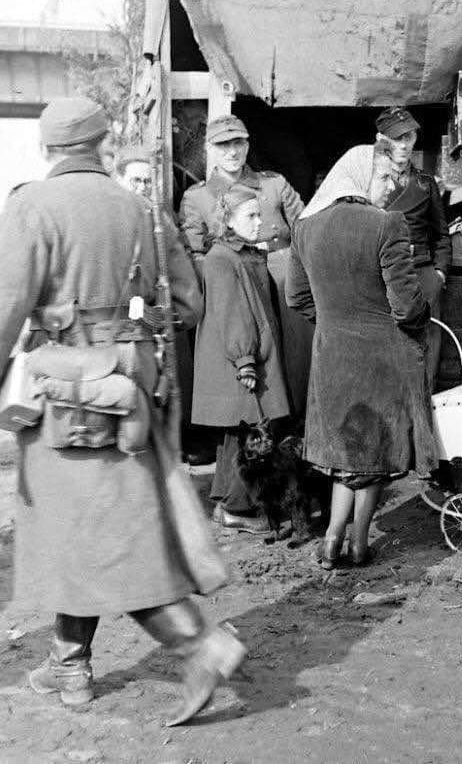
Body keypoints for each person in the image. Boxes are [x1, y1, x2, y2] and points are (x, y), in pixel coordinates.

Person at [0, 98, 244, 725]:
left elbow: (5, 311)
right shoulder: (143, 209)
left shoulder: (31, 206)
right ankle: (68, 660)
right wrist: (130, 327)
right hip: (133, 393)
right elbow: (187, 308)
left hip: (67, 400)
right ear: (101, 145)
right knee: (92, 527)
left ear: (49, 149)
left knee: (106, 537)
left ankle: (200, 644)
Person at [286, 144, 437, 569]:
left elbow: (296, 297)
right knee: (372, 452)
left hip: (331, 354)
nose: (392, 188)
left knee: (348, 455)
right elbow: (407, 305)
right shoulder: (387, 224)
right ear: (360, 173)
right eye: (387, 177)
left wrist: (335, 322)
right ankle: (358, 543)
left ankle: (333, 540)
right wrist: (417, 319)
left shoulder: (305, 227)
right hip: (380, 355)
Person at [180, 114, 312, 416]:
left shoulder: (274, 184)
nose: (232, 151)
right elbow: (194, 252)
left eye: (238, 142)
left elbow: (306, 227)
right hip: (232, 290)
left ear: (248, 144)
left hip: (279, 282)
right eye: (223, 144)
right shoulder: (197, 196)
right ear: (210, 148)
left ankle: (292, 422)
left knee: (290, 358)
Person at [192, 184, 291, 533]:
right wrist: (245, 360)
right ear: (227, 219)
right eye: (249, 215)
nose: (257, 221)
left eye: (258, 214)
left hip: (242, 359)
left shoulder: (241, 254)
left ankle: (225, 502)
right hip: (237, 363)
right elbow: (233, 314)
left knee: (235, 436)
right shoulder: (222, 259)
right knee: (247, 435)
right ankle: (237, 508)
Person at [376, 107, 452, 390]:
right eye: (397, 138)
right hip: (384, 277)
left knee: (428, 348)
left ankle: (425, 406)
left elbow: (441, 235)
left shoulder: (425, 183)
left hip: (422, 276)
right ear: (381, 140)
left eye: (409, 136)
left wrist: (439, 275)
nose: (405, 144)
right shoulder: (370, 185)